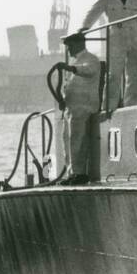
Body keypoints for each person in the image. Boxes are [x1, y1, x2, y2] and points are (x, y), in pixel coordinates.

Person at [79, 0, 137, 109]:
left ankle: (133, 105)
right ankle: (109, 107)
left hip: (135, 35)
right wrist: (84, 28)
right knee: (113, 74)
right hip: (116, 36)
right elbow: (94, 11)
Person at [56, 32, 101, 185]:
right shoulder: (75, 61)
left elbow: (88, 71)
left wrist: (70, 68)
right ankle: (71, 173)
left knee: (77, 140)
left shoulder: (91, 60)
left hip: (83, 107)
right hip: (71, 108)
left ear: (78, 44)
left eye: (70, 46)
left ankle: (79, 173)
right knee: (67, 140)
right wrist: (62, 99)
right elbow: (68, 85)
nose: (68, 50)